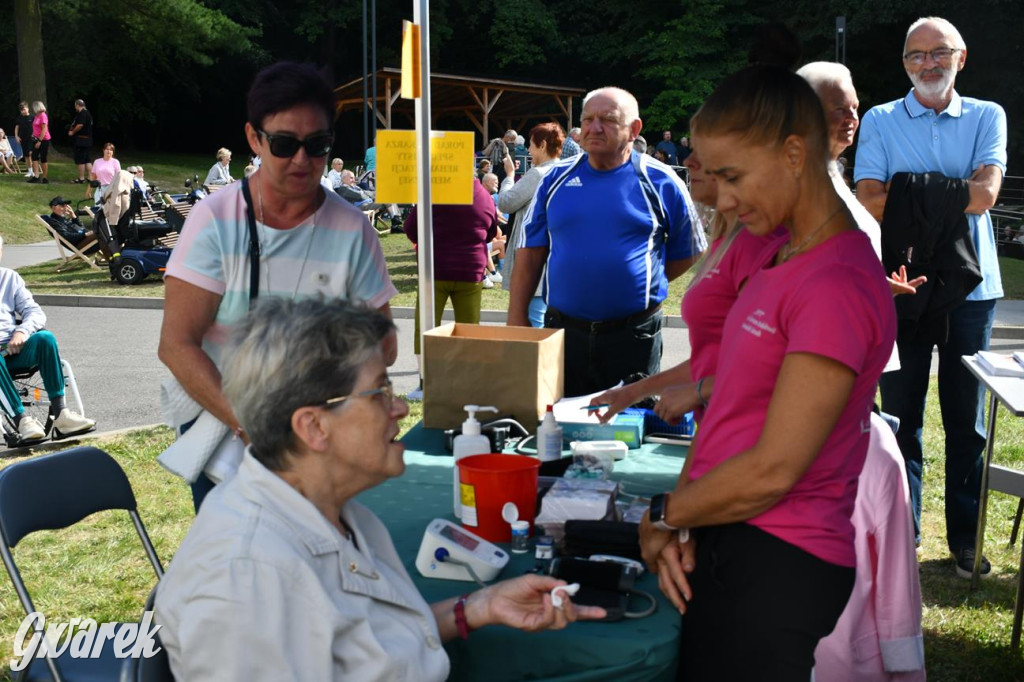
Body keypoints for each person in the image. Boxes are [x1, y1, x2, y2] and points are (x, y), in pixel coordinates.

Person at [155, 298, 603, 679]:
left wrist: (477, 607)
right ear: (313, 426)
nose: (400, 409)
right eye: (380, 392)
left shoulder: (335, 511)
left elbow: (366, 643)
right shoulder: (244, 579)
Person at [639, 65, 895, 679]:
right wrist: (686, 516)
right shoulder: (780, 255)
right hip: (731, 533)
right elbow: (728, 407)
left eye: (732, 176)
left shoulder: (835, 282)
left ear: (793, 154)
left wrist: (666, 513)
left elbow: (775, 468)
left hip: (781, 555)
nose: (722, 199)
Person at [158, 61, 398, 512]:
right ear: (254, 138)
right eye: (285, 144)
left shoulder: (352, 228)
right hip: (231, 424)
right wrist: (251, 422)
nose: (303, 160)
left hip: (323, 427)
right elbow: (176, 344)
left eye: (319, 144)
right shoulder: (215, 220)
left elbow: (383, 342)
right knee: (242, 562)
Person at [854, 17, 1007, 578]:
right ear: (904, 64)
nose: (928, 64)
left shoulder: (988, 115)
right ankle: (904, 536)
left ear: (960, 58)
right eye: (915, 56)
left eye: (939, 53)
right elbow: (869, 198)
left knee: (966, 423)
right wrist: (949, 189)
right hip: (902, 282)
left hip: (974, 289)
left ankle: (965, 542)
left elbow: (985, 195)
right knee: (899, 416)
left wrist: (910, 189)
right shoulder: (880, 119)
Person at [507, 86, 705, 397]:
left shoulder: (663, 181)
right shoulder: (552, 181)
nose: (594, 128)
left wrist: (643, 279)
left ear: (634, 128)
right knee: (557, 430)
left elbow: (691, 250)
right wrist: (517, 317)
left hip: (633, 336)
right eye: (588, 119)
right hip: (563, 333)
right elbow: (530, 253)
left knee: (628, 433)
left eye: (608, 120)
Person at [589, 143, 783, 426]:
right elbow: (712, 359)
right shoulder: (726, 236)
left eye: (705, 151)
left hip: (750, 433)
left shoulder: (759, 242)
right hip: (718, 426)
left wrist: (698, 391)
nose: (689, 162)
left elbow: (776, 365)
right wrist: (632, 392)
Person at [813, 412, 926, 681]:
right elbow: (897, 583)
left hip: (840, 657)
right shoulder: (875, 443)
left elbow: (896, 578)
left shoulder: (875, 446)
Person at [404, 177, 498, 398]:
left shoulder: (435, 192)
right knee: (469, 328)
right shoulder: (484, 196)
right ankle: (468, 383)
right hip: (471, 270)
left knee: (426, 327)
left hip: (435, 269)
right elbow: (492, 232)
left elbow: (410, 227)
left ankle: (425, 384)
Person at [0, 236, 95, 442]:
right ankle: (22, 421)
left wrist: (22, 332)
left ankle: (61, 416)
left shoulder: (8, 277)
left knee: (45, 337)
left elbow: (34, 312)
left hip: (13, 347)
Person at [497, 122, 565, 328]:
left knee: (533, 322)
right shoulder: (565, 170)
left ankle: (536, 360)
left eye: (532, 145)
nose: (528, 150)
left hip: (532, 255)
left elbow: (506, 202)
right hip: (556, 255)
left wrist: (509, 176)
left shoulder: (538, 174)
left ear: (543, 145)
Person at [42, 196, 107, 257]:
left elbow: (82, 228)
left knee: (105, 231)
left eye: (66, 206)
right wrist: (84, 234)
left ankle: (113, 255)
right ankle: (113, 257)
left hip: (84, 242)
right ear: (53, 208)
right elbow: (67, 236)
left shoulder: (64, 219)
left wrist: (74, 217)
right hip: (80, 246)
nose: (66, 208)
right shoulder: (54, 222)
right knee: (103, 232)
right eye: (62, 206)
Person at [68, 99, 93, 184]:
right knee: (87, 159)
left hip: (81, 140)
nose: (75, 107)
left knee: (80, 159)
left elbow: (80, 125)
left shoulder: (82, 113)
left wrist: (73, 132)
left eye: (75, 106)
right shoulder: (88, 113)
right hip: (87, 139)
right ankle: (90, 177)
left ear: (78, 105)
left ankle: (81, 178)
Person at [27, 101, 50, 184]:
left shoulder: (43, 116)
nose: (33, 109)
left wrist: (39, 141)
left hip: (43, 140)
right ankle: (36, 176)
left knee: (43, 158)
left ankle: (44, 177)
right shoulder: (37, 116)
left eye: (34, 107)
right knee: (34, 157)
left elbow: (44, 129)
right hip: (35, 139)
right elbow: (35, 128)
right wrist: (33, 136)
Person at [15, 102, 34, 178]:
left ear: (28, 109)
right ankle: (30, 171)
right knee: (26, 155)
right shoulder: (19, 118)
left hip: (32, 139)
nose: (23, 111)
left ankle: (34, 170)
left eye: (24, 109)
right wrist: (16, 136)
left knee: (30, 153)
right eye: (21, 110)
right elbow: (16, 128)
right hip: (23, 139)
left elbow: (37, 127)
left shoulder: (33, 117)